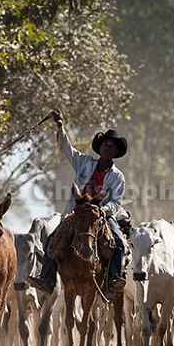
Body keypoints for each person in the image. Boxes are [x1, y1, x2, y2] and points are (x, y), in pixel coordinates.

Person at [27, 109, 129, 296]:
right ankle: (46, 279)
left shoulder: (117, 177)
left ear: (116, 152)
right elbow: (66, 148)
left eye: (112, 147)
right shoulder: (84, 163)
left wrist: (103, 210)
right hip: (77, 213)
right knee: (52, 240)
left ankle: (113, 280)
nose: (108, 148)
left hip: (101, 216)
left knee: (119, 243)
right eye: (106, 145)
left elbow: (116, 202)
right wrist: (60, 127)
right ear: (101, 147)